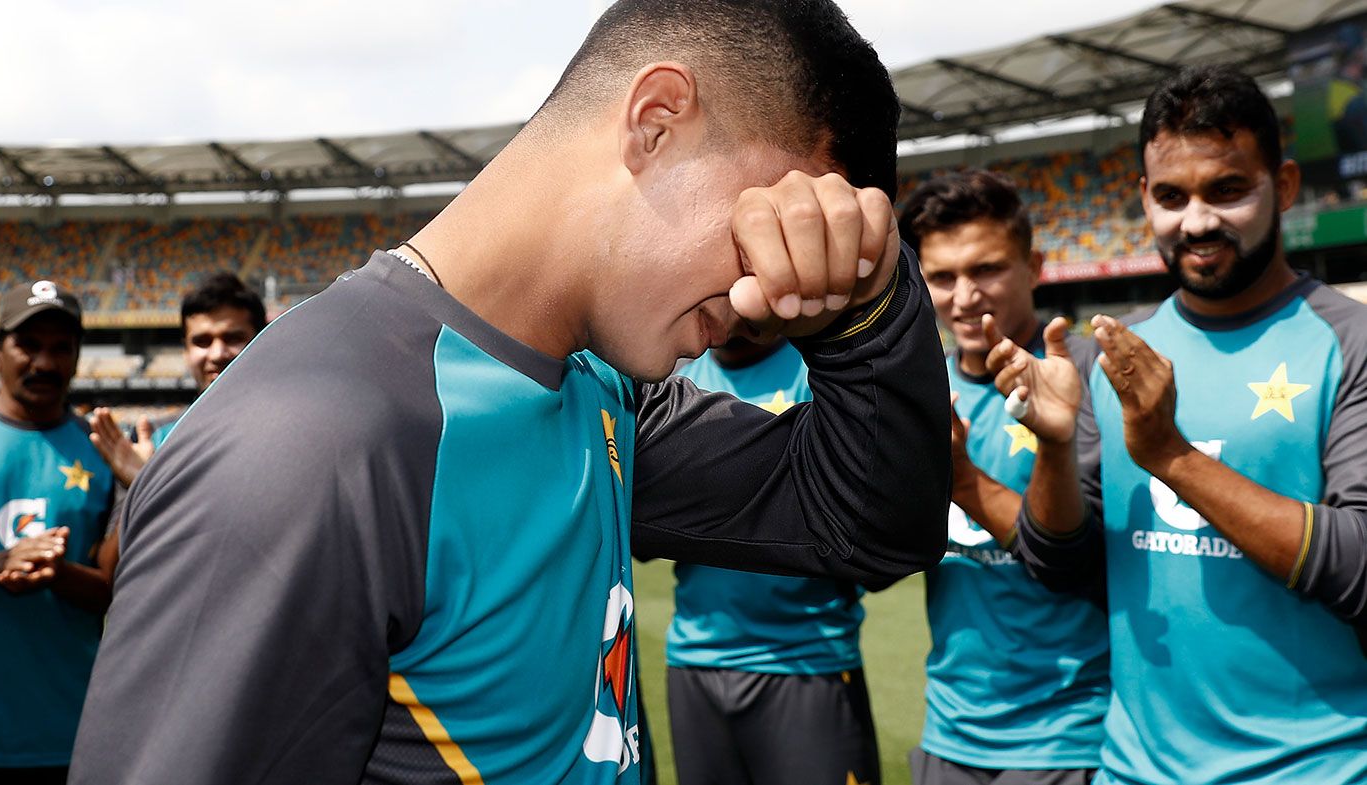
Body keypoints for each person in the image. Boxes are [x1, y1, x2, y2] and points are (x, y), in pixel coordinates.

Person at [68, 2, 952, 784]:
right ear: (655, 120)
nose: (770, 283)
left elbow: (870, 523)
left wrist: (869, 309)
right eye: (772, 221)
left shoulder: (601, 389)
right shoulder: (307, 445)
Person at [987, 65, 1367, 784]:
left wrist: (1173, 455)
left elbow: (1360, 562)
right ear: (1143, 199)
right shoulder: (1111, 352)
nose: (1195, 220)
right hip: (1133, 769)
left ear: (1283, 187)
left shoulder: (1350, 343)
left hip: (1315, 767)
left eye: (1226, 189)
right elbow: (1059, 564)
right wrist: (1057, 449)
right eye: (1171, 195)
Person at [901, 170, 1108, 785]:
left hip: (1065, 736)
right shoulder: (919, 387)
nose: (964, 296)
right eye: (941, 277)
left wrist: (964, 480)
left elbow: (1083, 559)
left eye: (986, 269)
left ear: (1035, 266)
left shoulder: (1087, 378)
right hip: (950, 729)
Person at [666, 336, 879, 785]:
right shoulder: (678, 378)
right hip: (694, 659)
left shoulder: (820, 373)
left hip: (805, 660)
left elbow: (871, 526)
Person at [0, 281, 118, 785]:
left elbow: (112, 592)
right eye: (28, 345)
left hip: (69, 733)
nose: (45, 362)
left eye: (61, 348)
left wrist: (56, 573)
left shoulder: (102, 453)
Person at [89, 272, 266, 486]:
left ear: (262, 341)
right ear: (186, 351)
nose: (218, 353)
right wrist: (141, 487)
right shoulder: (152, 439)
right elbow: (120, 520)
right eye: (202, 341)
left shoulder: (290, 433)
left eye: (233, 338)